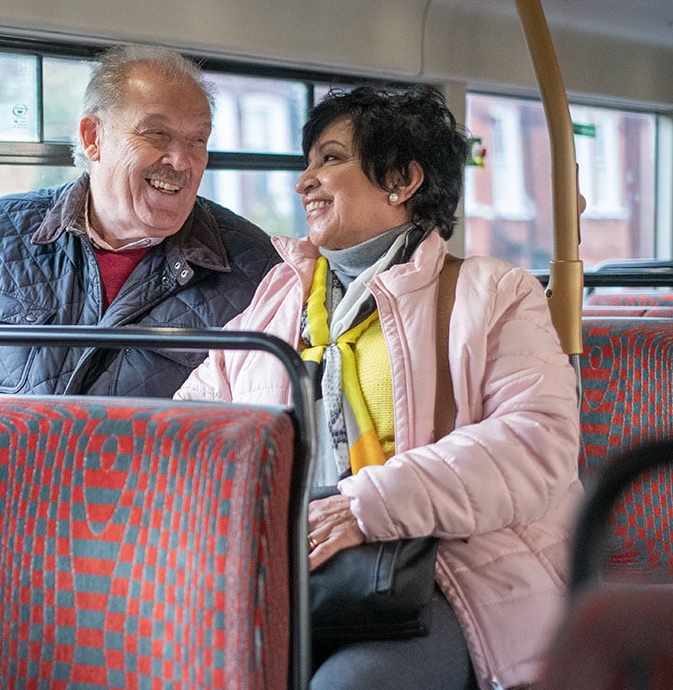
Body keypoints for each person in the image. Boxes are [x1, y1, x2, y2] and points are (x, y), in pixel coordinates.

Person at [176, 85, 581, 690]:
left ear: (402, 178)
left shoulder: (491, 293)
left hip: (442, 573)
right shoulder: (279, 300)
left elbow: (536, 443)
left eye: (330, 159)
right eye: (307, 162)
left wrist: (369, 506)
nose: (304, 181)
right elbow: (194, 419)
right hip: (287, 567)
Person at [0, 44, 280, 397]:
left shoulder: (254, 268)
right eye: (157, 134)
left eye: (198, 141)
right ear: (92, 138)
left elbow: (270, 428)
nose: (182, 161)